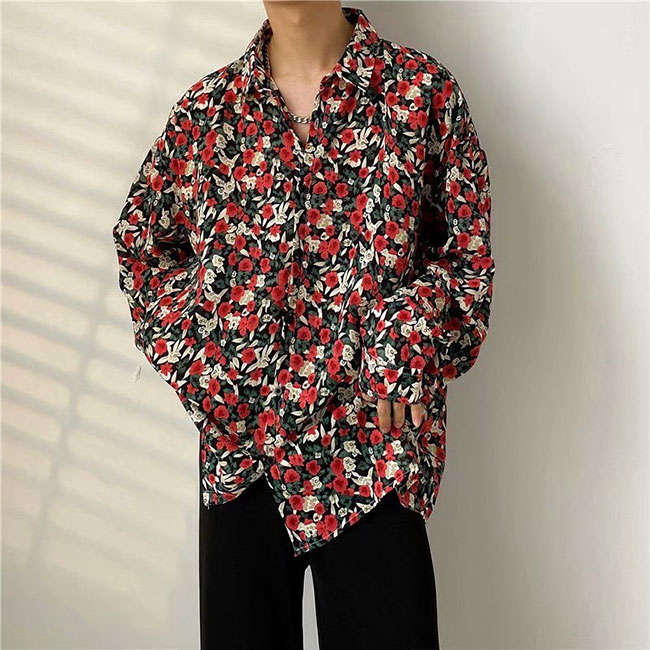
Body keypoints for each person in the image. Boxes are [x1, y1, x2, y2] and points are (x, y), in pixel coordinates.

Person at [112, 2, 494, 649]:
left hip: (371, 454)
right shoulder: (206, 114)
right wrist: (205, 364)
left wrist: (406, 332)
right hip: (243, 456)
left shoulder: (420, 95)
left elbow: (467, 261)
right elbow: (143, 246)